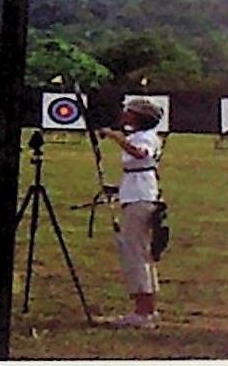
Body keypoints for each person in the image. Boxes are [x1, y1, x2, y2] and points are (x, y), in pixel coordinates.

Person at [99, 98, 165, 329]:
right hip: (136, 194)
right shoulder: (139, 135)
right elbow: (137, 168)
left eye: (130, 111)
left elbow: (140, 154)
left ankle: (143, 312)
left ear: (139, 116)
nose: (125, 114)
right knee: (140, 252)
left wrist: (116, 138)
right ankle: (147, 310)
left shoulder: (145, 137)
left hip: (140, 198)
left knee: (136, 253)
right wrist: (117, 188)